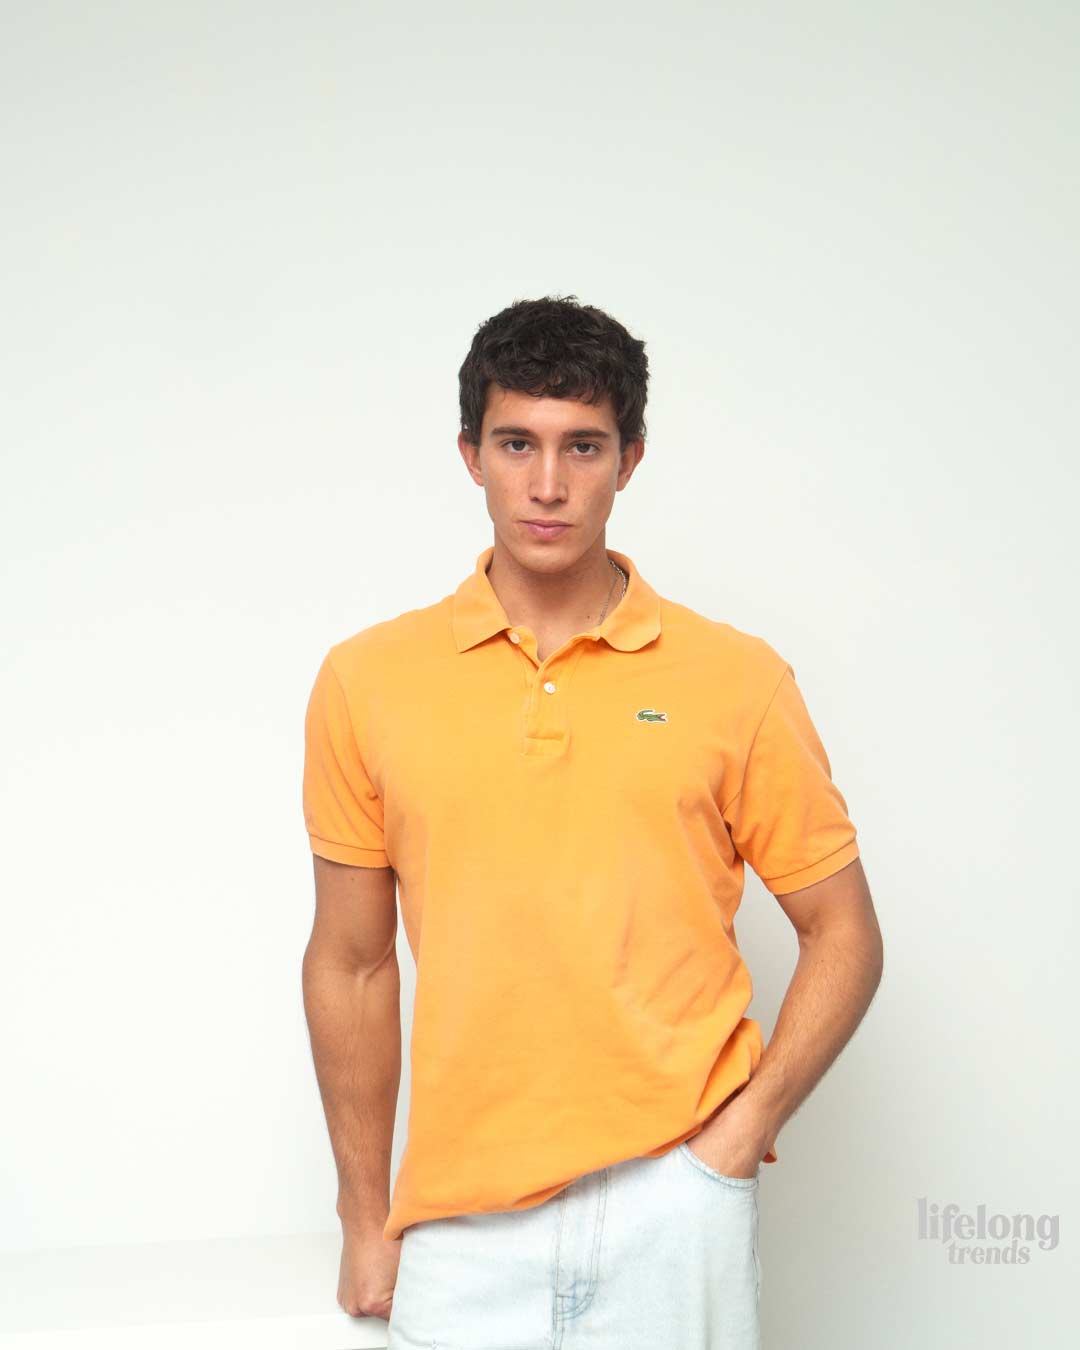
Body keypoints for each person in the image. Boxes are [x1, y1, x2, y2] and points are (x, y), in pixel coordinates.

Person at [301, 294, 884, 1348]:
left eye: (584, 446)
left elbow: (844, 931)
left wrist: (737, 1139)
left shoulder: (736, 680)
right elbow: (353, 963)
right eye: (517, 443)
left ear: (631, 460)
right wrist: (361, 1216)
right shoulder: (368, 680)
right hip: (459, 1221)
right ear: (471, 455)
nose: (549, 484)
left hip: (675, 1201)